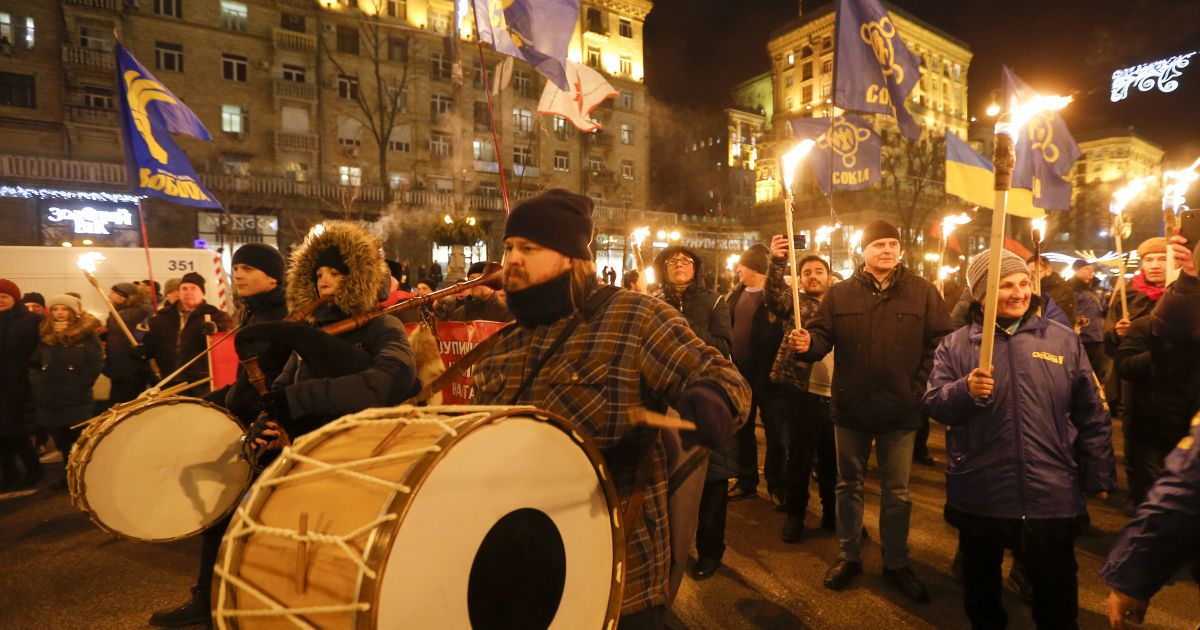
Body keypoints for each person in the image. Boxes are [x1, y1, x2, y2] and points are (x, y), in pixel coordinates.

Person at [470, 189, 750, 628]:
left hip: (621, 572)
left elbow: (722, 376)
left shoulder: (633, 317)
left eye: (529, 247)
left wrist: (711, 399)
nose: (512, 259)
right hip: (524, 571)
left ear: (570, 257)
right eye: (508, 247)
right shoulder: (504, 345)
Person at [150, 223, 417, 628]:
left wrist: (296, 401)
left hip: (357, 453)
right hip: (303, 448)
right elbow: (281, 384)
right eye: (319, 274)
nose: (325, 280)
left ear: (358, 277)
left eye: (336, 273)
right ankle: (221, 599)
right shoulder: (307, 327)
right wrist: (268, 417)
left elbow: (387, 381)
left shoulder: (383, 327)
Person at [922, 248, 1116, 628]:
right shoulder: (957, 345)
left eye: (1024, 283)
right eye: (1004, 285)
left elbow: (1091, 410)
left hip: (1051, 492)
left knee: (1057, 601)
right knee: (983, 599)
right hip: (982, 491)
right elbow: (934, 403)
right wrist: (965, 390)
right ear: (981, 295)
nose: (1018, 292)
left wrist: (1098, 472)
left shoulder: (1062, 340)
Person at [788, 219, 951, 601]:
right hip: (852, 408)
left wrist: (918, 387)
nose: (887, 250)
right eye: (878, 244)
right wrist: (807, 341)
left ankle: (896, 562)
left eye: (893, 243)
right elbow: (822, 337)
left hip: (901, 409)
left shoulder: (923, 293)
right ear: (862, 251)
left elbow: (941, 344)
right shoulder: (840, 294)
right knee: (848, 486)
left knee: (898, 492)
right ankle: (849, 555)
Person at [1100, 239, 1200, 628]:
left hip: (1185, 415)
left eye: (1166, 257)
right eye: (1151, 258)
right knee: (1152, 486)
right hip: (1148, 414)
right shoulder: (1130, 300)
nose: (1158, 264)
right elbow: (1121, 354)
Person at [650, 245, 735, 581]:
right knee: (670, 477)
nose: (679, 265)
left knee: (713, 481)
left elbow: (724, 347)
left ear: (696, 267)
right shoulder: (652, 301)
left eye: (686, 260)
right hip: (666, 400)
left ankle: (711, 550)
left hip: (707, 397)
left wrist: (682, 324)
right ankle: (668, 549)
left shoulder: (714, 301)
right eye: (672, 261)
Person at [763, 239, 837, 543]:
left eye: (819, 271)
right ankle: (796, 514)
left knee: (834, 461)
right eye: (807, 272)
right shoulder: (794, 302)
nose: (813, 276)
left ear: (830, 277)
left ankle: (834, 513)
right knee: (800, 457)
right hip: (801, 389)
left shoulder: (842, 304)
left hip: (837, 391)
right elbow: (771, 296)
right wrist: (777, 261)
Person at [728, 244, 788, 510]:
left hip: (771, 379)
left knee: (776, 434)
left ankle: (777, 485)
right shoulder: (735, 296)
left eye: (742, 265)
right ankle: (746, 479)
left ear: (753, 267)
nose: (738, 270)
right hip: (742, 376)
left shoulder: (777, 298)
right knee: (743, 429)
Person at [206, 243, 290, 421]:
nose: (237, 275)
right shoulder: (252, 312)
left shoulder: (284, 317)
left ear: (273, 278)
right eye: (235, 268)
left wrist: (223, 402)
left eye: (248, 269)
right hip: (250, 413)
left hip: (271, 421)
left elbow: (269, 381)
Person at [29, 294, 103, 477]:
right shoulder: (46, 334)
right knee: (61, 440)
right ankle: (68, 476)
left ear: (73, 311)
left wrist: (81, 384)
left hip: (76, 396)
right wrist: (38, 383)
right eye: (55, 309)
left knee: (79, 440)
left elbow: (95, 363)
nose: (59, 313)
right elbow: (35, 363)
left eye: (64, 309)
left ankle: (84, 476)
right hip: (50, 396)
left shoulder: (85, 334)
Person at [142, 272, 233, 395]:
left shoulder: (216, 315)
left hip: (202, 382)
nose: (188, 292)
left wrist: (216, 329)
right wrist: (142, 350)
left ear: (202, 293)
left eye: (193, 288)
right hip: (170, 380)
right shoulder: (161, 317)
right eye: (184, 288)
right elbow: (152, 346)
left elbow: (229, 336)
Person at [0, 278, 43, 490]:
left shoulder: (30, 320)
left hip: (20, 382)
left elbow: (41, 348)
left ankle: (34, 468)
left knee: (16, 430)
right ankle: (9, 472)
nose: (0, 301)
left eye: (4, 296)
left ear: (14, 298)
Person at [103, 282, 153, 404]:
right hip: (117, 369)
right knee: (116, 405)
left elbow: (144, 333)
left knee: (130, 405)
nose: (110, 295)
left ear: (124, 296)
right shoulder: (115, 314)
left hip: (132, 369)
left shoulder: (139, 312)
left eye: (113, 293)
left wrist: (142, 347)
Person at [1070, 259, 1106, 380]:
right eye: (1086, 268)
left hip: (1098, 336)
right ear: (1077, 271)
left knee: (1098, 371)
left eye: (1091, 269)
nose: (1090, 271)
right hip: (1083, 338)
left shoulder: (1094, 289)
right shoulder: (1071, 290)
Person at [441, 261, 512, 322]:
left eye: (481, 279)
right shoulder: (459, 314)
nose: (475, 284)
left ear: (493, 283)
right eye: (472, 280)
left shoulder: (507, 314)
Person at [1028, 255, 1077, 324]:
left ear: (1048, 270)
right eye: (1028, 273)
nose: (1031, 276)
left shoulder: (1062, 291)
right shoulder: (1030, 289)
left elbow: (1059, 320)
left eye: (1034, 272)